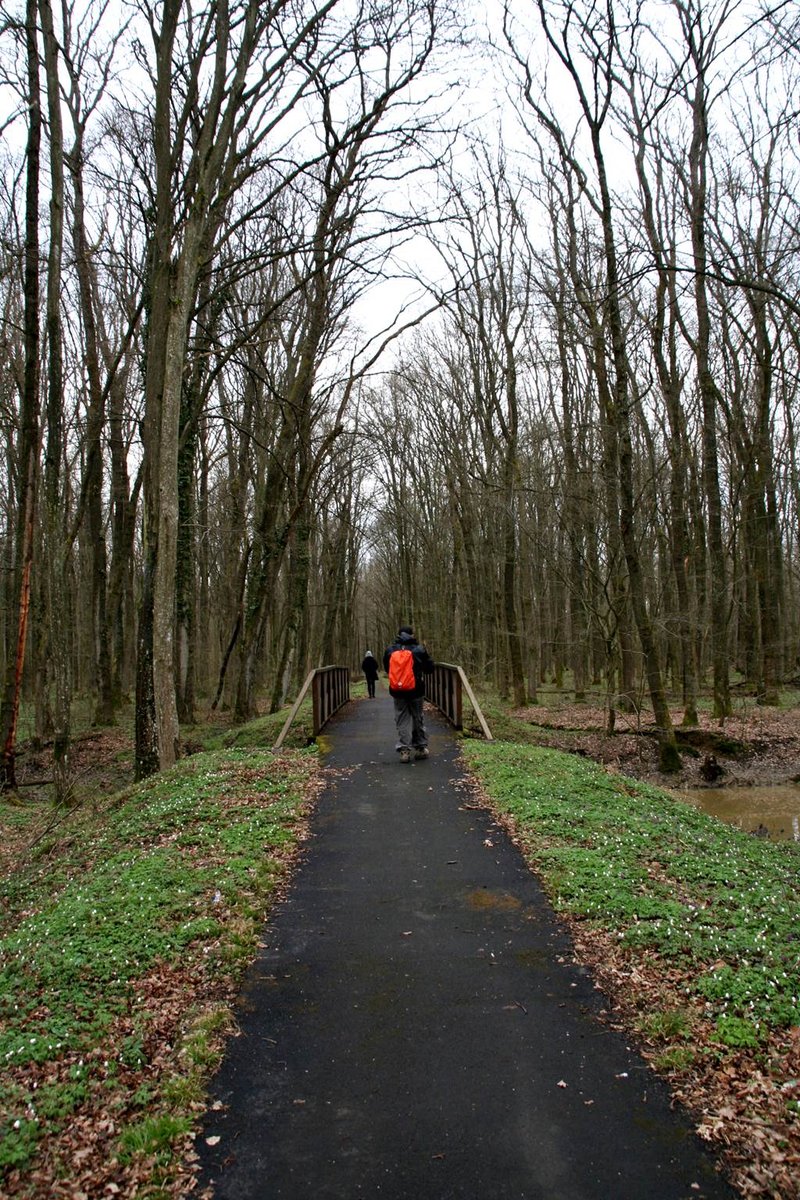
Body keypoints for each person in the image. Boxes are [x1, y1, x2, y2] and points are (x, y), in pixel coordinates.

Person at [383, 625, 434, 763]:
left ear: (398, 635)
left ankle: (404, 751)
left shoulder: (390, 650)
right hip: (416, 690)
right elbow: (430, 668)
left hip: (397, 691)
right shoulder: (418, 649)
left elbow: (387, 669)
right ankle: (421, 748)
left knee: (402, 718)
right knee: (417, 717)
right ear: (412, 635)